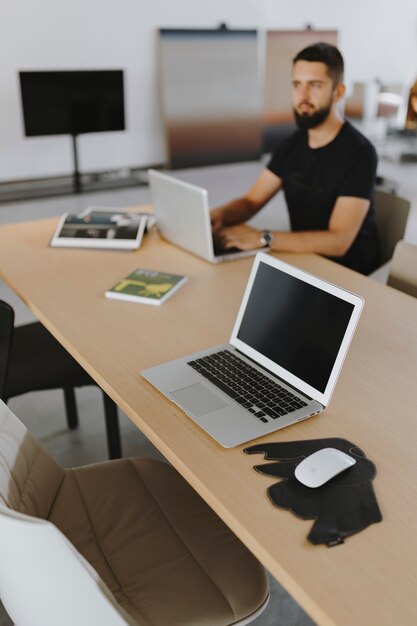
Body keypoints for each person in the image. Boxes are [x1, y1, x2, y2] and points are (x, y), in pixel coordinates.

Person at [211, 42, 380, 275]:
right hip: (304, 259)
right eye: (297, 85)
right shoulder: (292, 144)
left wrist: (263, 238)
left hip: (348, 272)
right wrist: (215, 216)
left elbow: (338, 242)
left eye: (315, 85)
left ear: (338, 92)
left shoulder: (360, 153)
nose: (303, 96)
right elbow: (251, 202)